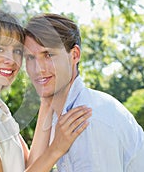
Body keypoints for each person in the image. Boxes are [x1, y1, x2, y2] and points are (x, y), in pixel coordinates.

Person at [0, 9, 92, 172]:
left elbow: (29, 166)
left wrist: (46, 102)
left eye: (17, 51)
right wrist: (56, 148)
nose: (11, 60)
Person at [24, 13, 144, 171]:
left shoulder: (88, 120)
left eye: (48, 55)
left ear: (74, 55)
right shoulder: (62, 114)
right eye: (30, 57)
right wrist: (46, 102)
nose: (38, 69)